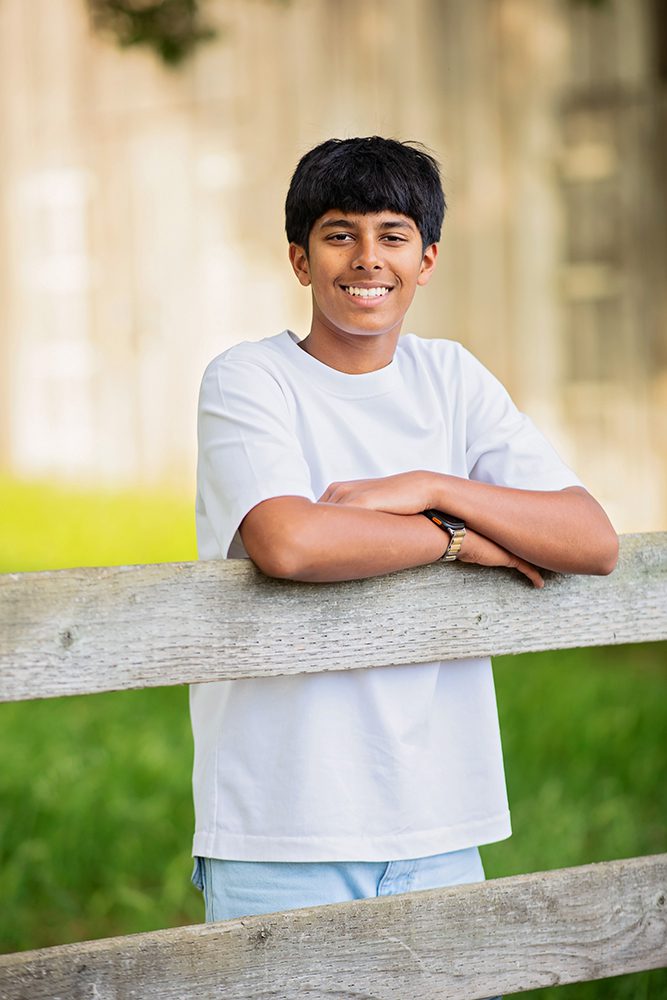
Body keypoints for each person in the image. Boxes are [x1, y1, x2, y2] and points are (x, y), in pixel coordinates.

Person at [190, 136, 618, 930]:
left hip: (441, 819)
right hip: (284, 825)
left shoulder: (450, 377)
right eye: (338, 234)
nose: (366, 259)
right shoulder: (249, 379)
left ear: (426, 259)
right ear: (298, 258)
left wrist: (430, 487)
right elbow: (291, 543)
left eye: (391, 235)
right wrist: (459, 538)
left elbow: (590, 540)